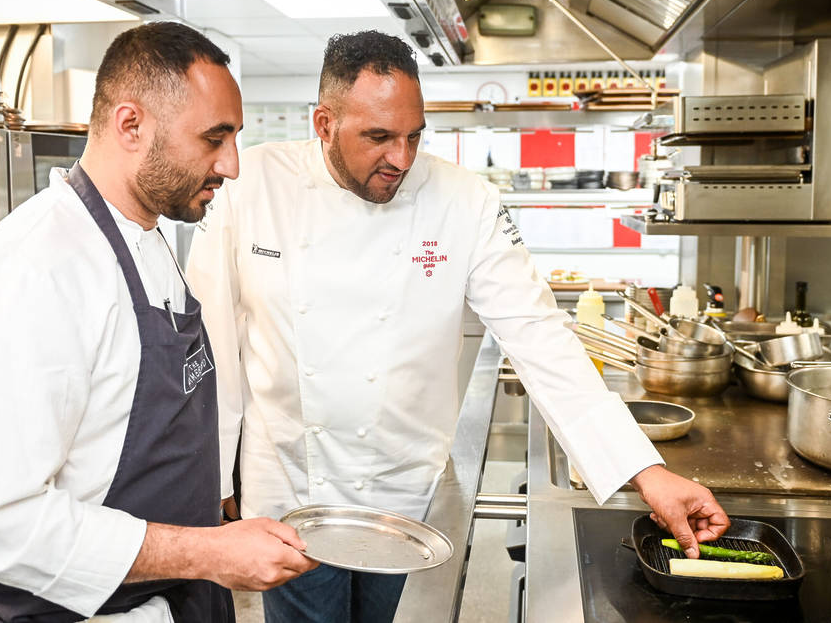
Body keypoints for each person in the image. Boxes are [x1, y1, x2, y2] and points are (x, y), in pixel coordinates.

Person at [186, 30, 729, 623]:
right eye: (378, 137)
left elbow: (540, 336)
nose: (401, 158)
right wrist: (211, 474)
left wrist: (645, 472)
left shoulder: (464, 202)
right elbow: (209, 341)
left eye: (414, 136)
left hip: (403, 491)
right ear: (323, 123)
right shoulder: (250, 186)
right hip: (292, 489)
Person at [0, 22, 316, 623]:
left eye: (235, 138)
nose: (233, 165)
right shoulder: (29, 274)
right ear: (131, 125)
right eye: (215, 138)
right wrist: (206, 551)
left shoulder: (150, 236)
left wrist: (214, 537)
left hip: (177, 595)